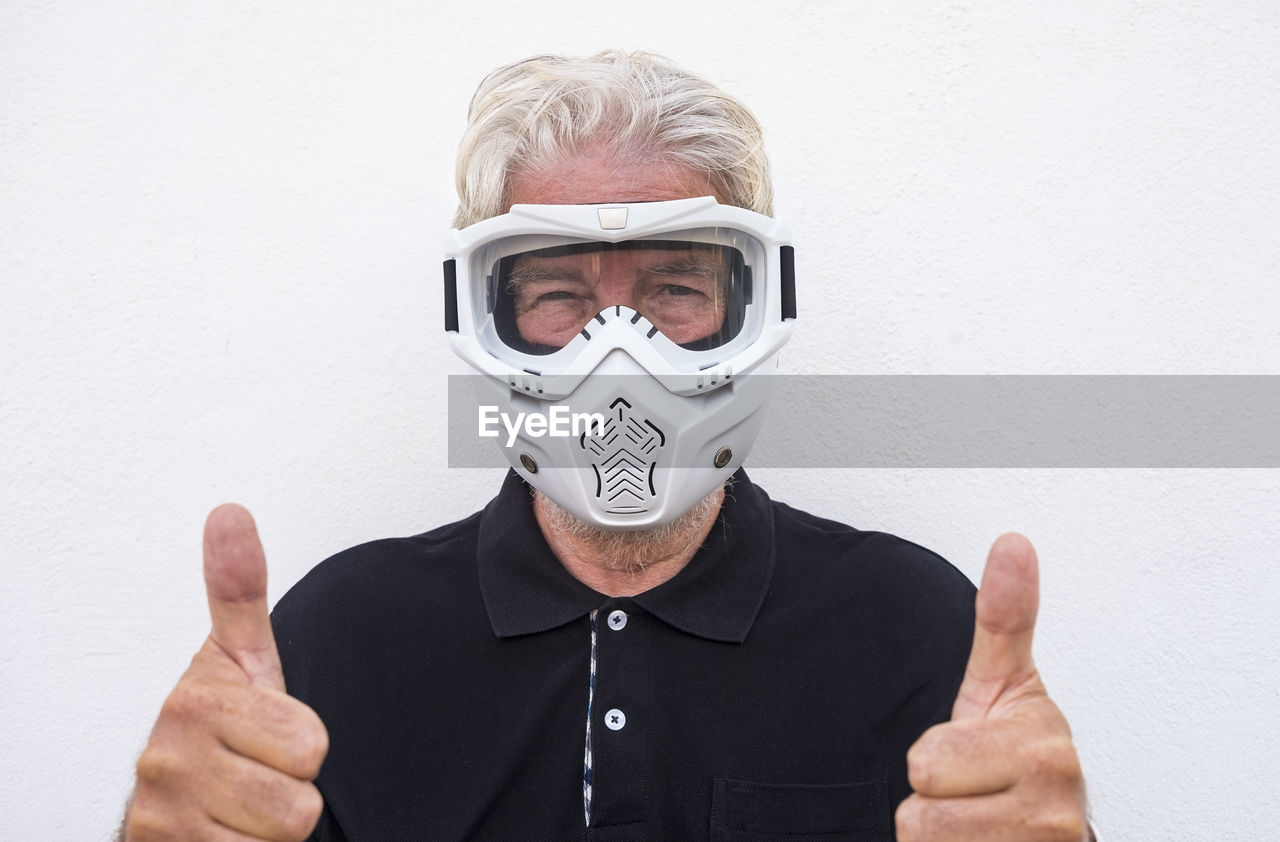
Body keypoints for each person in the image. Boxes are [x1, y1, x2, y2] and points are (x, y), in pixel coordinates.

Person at [122, 51, 1092, 841]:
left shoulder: (913, 627)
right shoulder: (339, 633)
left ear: (747, 307)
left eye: (674, 289)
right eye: (558, 296)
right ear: (486, 315)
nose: (621, 355)